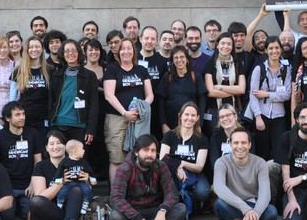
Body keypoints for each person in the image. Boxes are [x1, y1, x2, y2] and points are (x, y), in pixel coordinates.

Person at [109, 134, 187, 220]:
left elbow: (172, 193)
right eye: (146, 150)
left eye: (153, 151)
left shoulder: (161, 166)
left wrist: (162, 211)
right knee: (114, 216)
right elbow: (116, 198)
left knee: (181, 208)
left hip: (155, 209)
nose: (150, 154)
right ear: (136, 152)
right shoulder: (125, 169)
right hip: (133, 212)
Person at [211, 128, 288, 220]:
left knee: (271, 212)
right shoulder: (221, 162)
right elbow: (219, 188)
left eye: (244, 142)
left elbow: (265, 193)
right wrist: (245, 208)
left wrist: (255, 212)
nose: (240, 146)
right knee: (220, 204)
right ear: (231, 144)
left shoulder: (260, 163)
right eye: (236, 143)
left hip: (254, 205)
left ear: (250, 144)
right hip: (233, 205)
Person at [102, 37, 153, 181]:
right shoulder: (112, 69)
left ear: (134, 51)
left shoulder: (141, 70)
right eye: (123, 48)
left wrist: (140, 109)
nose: (126, 51)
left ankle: (134, 194)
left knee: (138, 157)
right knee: (117, 159)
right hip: (117, 119)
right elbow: (108, 95)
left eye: (129, 48)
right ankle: (116, 196)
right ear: (118, 52)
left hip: (138, 120)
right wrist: (125, 113)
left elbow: (150, 95)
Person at [28, 130, 90, 220]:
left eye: (59, 143)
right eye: (51, 144)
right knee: (36, 201)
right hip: (44, 219)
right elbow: (41, 197)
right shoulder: (41, 166)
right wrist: (61, 182)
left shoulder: (78, 163)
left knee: (77, 190)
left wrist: (87, 180)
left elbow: (85, 193)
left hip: (68, 210)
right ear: (46, 148)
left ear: (66, 146)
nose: (55, 147)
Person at [0, 101, 43, 220]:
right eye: (17, 115)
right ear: (7, 118)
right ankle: (15, 205)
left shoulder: (32, 133)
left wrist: (33, 184)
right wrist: (2, 189)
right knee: (7, 218)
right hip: (8, 186)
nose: (22, 117)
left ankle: (20, 205)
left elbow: (38, 162)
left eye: (23, 114)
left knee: (31, 215)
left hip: (27, 187)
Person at [159, 102, 210, 216]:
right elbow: (163, 160)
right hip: (172, 172)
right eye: (186, 114)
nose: (189, 118)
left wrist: (182, 163)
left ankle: (194, 204)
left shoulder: (202, 139)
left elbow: (199, 167)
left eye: (193, 116)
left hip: (194, 172)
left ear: (197, 118)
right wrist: (178, 167)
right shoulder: (170, 136)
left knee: (203, 192)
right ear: (180, 116)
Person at [247, 36, 291, 161]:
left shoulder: (286, 70)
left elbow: (287, 94)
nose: (274, 51)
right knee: (262, 151)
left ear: (281, 50)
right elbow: (253, 95)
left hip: (279, 116)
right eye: (271, 48)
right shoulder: (259, 69)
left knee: (278, 150)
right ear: (266, 50)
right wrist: (258, 117)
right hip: (262, 115)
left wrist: (267, 94)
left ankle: (275, 178)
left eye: (277, 48)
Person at [48, 39, 101, 144]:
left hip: (79, 126)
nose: (70, 53)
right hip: (58, 125)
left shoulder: (89, 76)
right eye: (67, 51)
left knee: (78, 158)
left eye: (73, 50)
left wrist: (91, 129)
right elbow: (50, 102)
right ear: (62, 54)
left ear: (79, 53)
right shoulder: (56, 75)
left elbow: (93, 105)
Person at [203, 33, 246, 134]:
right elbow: (211, 93)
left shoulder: (238, 64)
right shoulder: (210, 63)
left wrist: (220, 87)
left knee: (234, 138)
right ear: (217, 45)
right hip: (214, 111)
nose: (225, 47)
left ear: (232, 47)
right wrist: (234, 90)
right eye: (223, 43)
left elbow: (241, 90)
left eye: (229, 44)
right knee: (215, 139)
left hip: (233, 109)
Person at [158, 45, 208, 133]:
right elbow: (161, 101)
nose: (179, 60)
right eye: (176, 58)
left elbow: (202, 100)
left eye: (182, 57)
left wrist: (199, 124)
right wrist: (163, 124)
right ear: (172, 61)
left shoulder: (195, 76)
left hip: (191, 123)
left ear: (187, 59)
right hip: (170, 124)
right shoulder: (167, 77)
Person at [10, 36, 51, 132]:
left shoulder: (50, 70)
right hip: (24, 118)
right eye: (31, 47)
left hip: (43, 118)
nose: (34, 50)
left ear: (42, 50)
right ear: (27, 50)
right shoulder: (18, 70)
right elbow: (12, 96)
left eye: (37, 47)